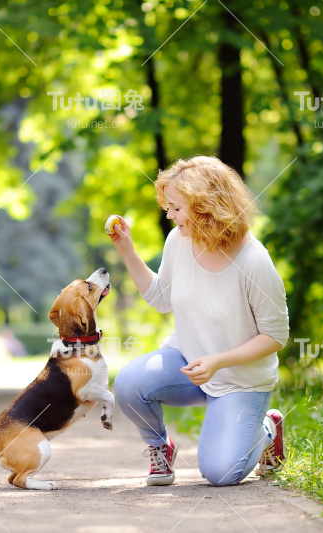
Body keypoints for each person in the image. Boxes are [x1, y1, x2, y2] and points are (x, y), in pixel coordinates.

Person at [108, 156, 290, 487]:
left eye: (176, 207)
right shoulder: (179, 241)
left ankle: (267, 428)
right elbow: (161, 298)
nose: (168, 215)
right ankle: (160, 448)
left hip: (239, 379)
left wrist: (219, 361)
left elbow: (276, 336)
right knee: (128, 384)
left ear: (206, 206)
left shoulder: (254, 261)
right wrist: (127, 253)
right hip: (188, 362)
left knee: (220, 473)